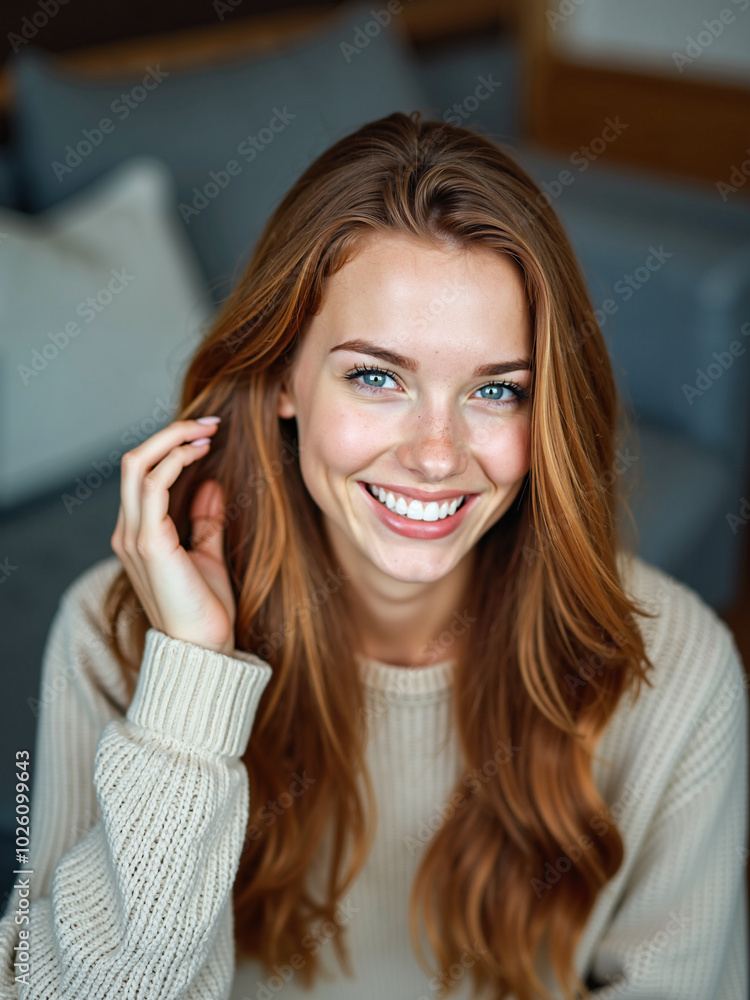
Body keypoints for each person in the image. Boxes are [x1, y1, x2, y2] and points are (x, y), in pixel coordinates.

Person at [1, 110, 747, 1000]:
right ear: (282, 379)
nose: (436, 454)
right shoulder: (113, 631)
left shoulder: (680, 668)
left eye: (496, 390)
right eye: (376, 377)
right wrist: (190, 686)